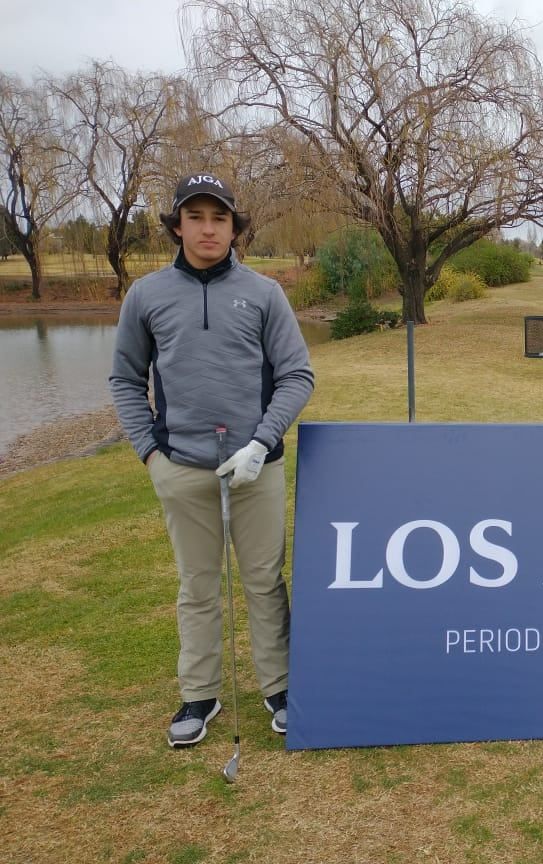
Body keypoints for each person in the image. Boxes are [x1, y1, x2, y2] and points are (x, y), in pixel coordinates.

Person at [110, 172, 314, 747]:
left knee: (263, 581)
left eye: (219, 218)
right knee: (197, 585)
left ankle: (280, 688)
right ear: (177, 225)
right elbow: (126, 379)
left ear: (234, 228)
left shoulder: (265, 293)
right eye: (195, 217)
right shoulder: (146, 296)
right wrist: (152, 455)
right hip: (182, 466)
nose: (207, 229)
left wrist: (261, 440)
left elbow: (297, 375)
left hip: (257, 467)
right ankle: (200, 694)